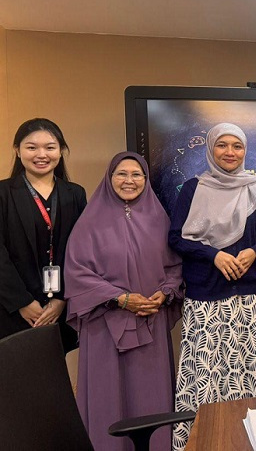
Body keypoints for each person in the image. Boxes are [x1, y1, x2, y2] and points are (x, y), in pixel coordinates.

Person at [169, 123, 256, 450]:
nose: (230, 152)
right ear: (211, 149)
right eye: (222, 145)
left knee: (254, 368)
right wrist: (213, 255)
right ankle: (204, 440)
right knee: (205, 372)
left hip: (252, 294)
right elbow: (176, 238)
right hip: (207, 294)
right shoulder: (193, 188)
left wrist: (254, 251)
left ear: (245, 150)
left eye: (237, 146)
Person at [64, 152, 183, 451]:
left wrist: (165, 292)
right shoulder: (89, 222)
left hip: (150, 321)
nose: (129, 181)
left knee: (150, 396)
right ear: (109, 178)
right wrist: (120, 298)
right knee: (108, 396)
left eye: (136, 174)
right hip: (105, 326)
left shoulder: (159, 219)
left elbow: (175, 266)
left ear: (145, 179)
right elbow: (77, 272)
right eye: (121, 174)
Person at [0, 118, 86, 353]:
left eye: (50, 147)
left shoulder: (75, 194)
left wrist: (62, 299)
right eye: (31, 147)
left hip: (59, 308)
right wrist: (23, 302)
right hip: (12, 308)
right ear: (17, 151)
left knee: (54, 368)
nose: (41, 154)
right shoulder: (4, 193)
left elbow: (81, 251)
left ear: (61, 150)